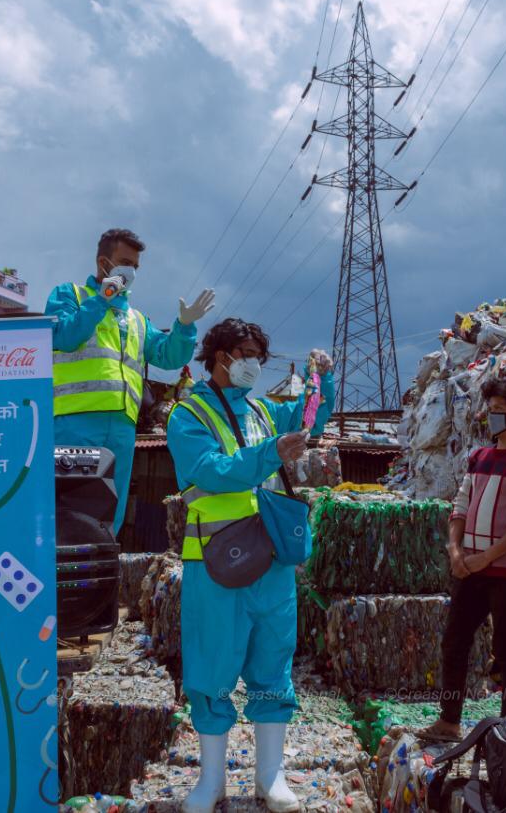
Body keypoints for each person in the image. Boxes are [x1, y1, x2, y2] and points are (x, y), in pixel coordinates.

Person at [166, 318, 335, 813]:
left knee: (272, 661)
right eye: (244, 353)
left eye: (259, 354)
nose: (253, 364)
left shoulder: (263, 409)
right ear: (218, 355)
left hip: (271, 556)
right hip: (215, 555)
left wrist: (319, 380)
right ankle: (211, 780)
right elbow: (209, 471)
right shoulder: (188, 413)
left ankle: (270, 775)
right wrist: (268, 454)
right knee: (211, 664)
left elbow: (309, 421)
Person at [45, 228, 215, 532]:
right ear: (103, 263)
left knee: (111, 512)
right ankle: (62, 572)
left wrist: (185, 327)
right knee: (67, 511)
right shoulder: (69, 295)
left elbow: (167, 357)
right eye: (125, 263)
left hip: (123, 427)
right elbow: (67, 336)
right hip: (75, 422)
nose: (131, 272)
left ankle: (102, 569)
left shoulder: (136, 318)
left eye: (135, 267)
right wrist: (100, 300)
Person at [419, 378, 506, 743]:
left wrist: (483, 559)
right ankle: (449, 721)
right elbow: (460, 505)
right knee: (454, 643)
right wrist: (456, 551)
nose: (489, 418)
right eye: (489, 411)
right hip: (470, 568)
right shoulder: (479, 458)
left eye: (497, 412)